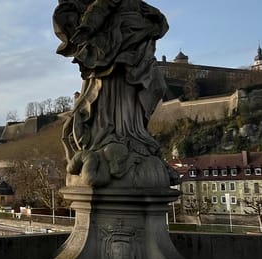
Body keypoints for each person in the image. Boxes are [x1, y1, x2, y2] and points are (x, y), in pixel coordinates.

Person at [53, 0, 176, 188]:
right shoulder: (111, 16)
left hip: (127, 52)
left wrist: (153, 21)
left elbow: (159, 21)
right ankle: (115, 137)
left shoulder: (138, 11)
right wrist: (88, 26)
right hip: (113, 54)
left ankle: (129, 136)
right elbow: (102, 5)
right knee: (111, 93)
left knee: (145, 90)